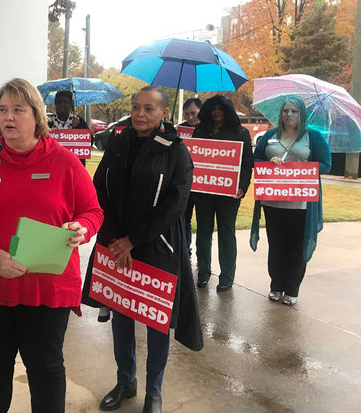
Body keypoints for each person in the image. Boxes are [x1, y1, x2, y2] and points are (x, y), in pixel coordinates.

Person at [0, 78, 103, 413]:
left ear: (37, 115)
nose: (8, 117)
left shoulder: (64, 162)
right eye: (2, 110)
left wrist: (82, 227)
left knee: (45, 369)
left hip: (47, 288)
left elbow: (92, 211)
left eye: (18, 109)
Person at [81, 86, 203, 413]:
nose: (140, 114)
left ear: (164, 113)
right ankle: (126, 380)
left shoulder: (175, 150)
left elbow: (175, 205)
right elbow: (100, 191)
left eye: (149, 109)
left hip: (156, 247)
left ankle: (154, 392)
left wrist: (133, 240)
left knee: (155, 322)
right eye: (136, 107)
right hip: (116, 245)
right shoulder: (119, 143)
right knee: (121, 315)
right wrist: (115, 239)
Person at [249, 96, 331, 306]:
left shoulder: (312, 136)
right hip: (272, 201)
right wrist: (268, 161)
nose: (289, 115)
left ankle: (292, 287)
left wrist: (302, 169)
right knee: (276, 244)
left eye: (294, 111)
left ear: (301, 114)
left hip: (301, 203)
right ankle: (276, 285)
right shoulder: (269, 135)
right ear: (281, 113)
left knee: (295, 246)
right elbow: (255, 159)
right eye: (286, 111)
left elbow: (326, 164)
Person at [192, 95, 253, 292]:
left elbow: (247, 164)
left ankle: (227, 276)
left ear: (227, 111)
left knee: (227, 232)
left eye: (221, 108)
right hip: (203, 191)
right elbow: (192, 158)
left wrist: (242, 186)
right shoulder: (200, 131)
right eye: (213, 108)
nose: (217, 112)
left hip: (229, 193)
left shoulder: (240, 133)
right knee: (203, 230)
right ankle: (203, 272)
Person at [179, 98, 202, 257]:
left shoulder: (209, 129)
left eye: (193, 113)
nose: (190, 117)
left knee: (203, 224)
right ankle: (185, 252)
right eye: (187, 114)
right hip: (184, 183)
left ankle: (203, 256)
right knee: (183, 219)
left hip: (204, 184)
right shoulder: (180, 129)